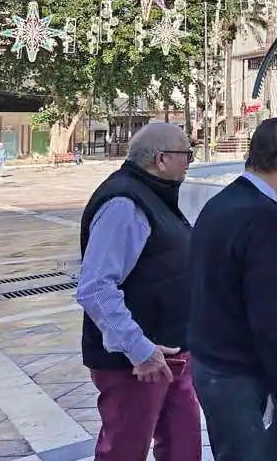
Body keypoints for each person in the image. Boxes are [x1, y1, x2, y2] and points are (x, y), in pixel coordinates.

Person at [188, 117, 277, 460]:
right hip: (240, 375)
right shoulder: (263, 221)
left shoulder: (222, 203)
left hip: (216, 365)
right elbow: (272, 321)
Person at [76, 122, 200, 461]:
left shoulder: (154, 196)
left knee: (183, 446)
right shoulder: (124, 203)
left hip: (171, 354)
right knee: (125, 450)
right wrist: (139, 349)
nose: (190, 162)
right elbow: (96, 288)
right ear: (161, 159)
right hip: (135, 362)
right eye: (186, 154)